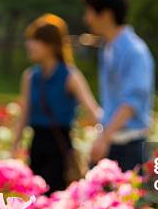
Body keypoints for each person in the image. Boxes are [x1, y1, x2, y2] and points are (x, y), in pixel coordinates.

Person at [12, 14, 101, 193]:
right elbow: (24, 114)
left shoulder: (70, 76)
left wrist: (102, 139)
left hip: (60, 147)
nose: (29, 45)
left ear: (51, 45)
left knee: (57, 196)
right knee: (36, 197)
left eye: (35, 40)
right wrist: (14, 148)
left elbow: (93, 111)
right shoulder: (31, 76)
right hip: (36, 145)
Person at [81, 0, 154, 172]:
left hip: (129, 147)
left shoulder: (134, 50)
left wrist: (104, 138)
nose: (86, 19)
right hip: (111, 142)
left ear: (105, 14)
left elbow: (132, 103)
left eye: (89, 12)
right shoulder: (108, 48)